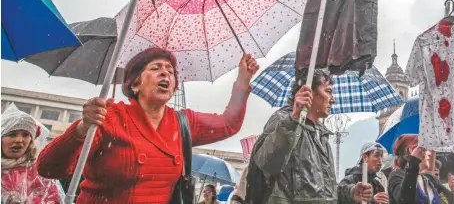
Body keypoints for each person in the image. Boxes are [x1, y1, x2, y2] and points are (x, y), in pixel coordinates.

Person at [36, 47, 259, 203]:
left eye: (170, 72)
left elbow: (228, 123)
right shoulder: (108, 117)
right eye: (155, 68)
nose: (165, 73)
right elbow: (49, 168)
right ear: (134, 84)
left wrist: (242, 80)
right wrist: (82, 128)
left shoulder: (183, 122)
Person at [252, 67, 371, 204]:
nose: (333, 100)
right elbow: (266, 163)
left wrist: (350, 193)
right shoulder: (283, 120)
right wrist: (293, 120)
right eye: (328, 91)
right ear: (308, 92)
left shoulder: (322, 135)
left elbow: (322, 191)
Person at [1, 104, 63, 203]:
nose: (19, 140)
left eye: (25, 135)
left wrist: (26, 201)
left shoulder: (38, 171)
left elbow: (53, 199)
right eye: (12, 134)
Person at [387, 134, 454, 204]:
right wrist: (413, 163)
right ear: (410, 151)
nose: (429, 153)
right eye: (423, 149)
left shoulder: (430, 179)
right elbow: (404, 200)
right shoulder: (396, 175)